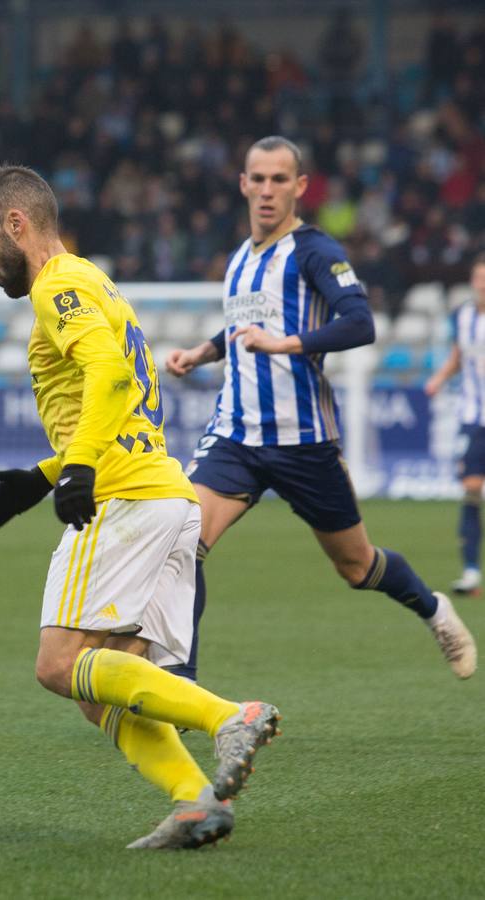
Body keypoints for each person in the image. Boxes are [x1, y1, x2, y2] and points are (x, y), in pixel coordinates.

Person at [0, 165, 284, 849]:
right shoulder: (93, 280)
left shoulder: (57, 284)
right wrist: (44, 476)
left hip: (125, 498)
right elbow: (118, 396)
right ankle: (196, 803)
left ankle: (233, 715)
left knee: (56, 665)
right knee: (97, 686)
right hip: (166, 495)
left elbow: (108, 371)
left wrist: (77, 469)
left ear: (17, 223)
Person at [164, 137, 477, 681]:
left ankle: (434, 610)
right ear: (242, 184)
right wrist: (204, 352)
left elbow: (361, 322)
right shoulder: (240, 257)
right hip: (235, 435)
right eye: (257, 179)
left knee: (357, 567)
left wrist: (286, 343)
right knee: (180, 544)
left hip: (303, 440)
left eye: (279, 180)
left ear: (300, 187)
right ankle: (178, 688)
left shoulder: (315, 252)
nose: (266, 190)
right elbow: (244, 324)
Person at [425, 255, 485, 595]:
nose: (482, 284)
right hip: (474, 417)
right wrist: (439, 378)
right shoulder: (462, 317)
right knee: (472, 488)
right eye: (479, 278)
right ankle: (472, 571)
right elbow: (458, 357)